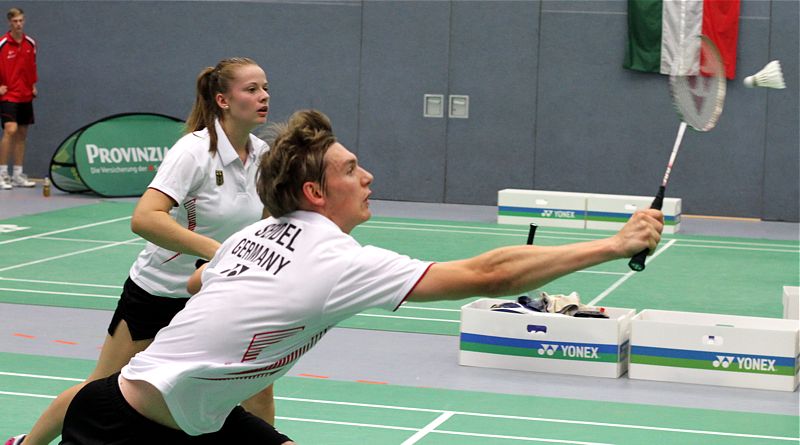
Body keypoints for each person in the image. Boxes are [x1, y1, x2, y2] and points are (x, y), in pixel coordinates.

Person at [56, 109, 664, 444]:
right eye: (351, 169)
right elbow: (492, 273)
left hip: (188, 415)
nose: (368, 175)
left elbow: (198, 283)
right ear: (317, 192)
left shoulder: (251, 234)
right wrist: (614, 243)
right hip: (125, 429)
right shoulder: (335, 259)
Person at [5, 57, 282, 445]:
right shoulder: (194, 151)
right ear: (222, 99)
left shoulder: (263, 154)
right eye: (251, 89)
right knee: (101, 388)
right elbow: (146, 218)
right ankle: (28, 444)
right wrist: (218, 252)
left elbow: (266, 223)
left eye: (265, 87)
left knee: (255, 387)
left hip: (215, 296)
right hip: (159, 291)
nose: (264, 96)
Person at [0, 7, 37, 190]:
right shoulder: (2, 44)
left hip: (25, 94)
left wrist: (33, 85)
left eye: (21, 20)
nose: (18, 24)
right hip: (8, 95)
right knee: (10, 129)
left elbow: (31, 67)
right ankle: (2, 173)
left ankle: (17, 174)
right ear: (9, 23)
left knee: (22, 133)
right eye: (15, 21)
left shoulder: (30, 43)